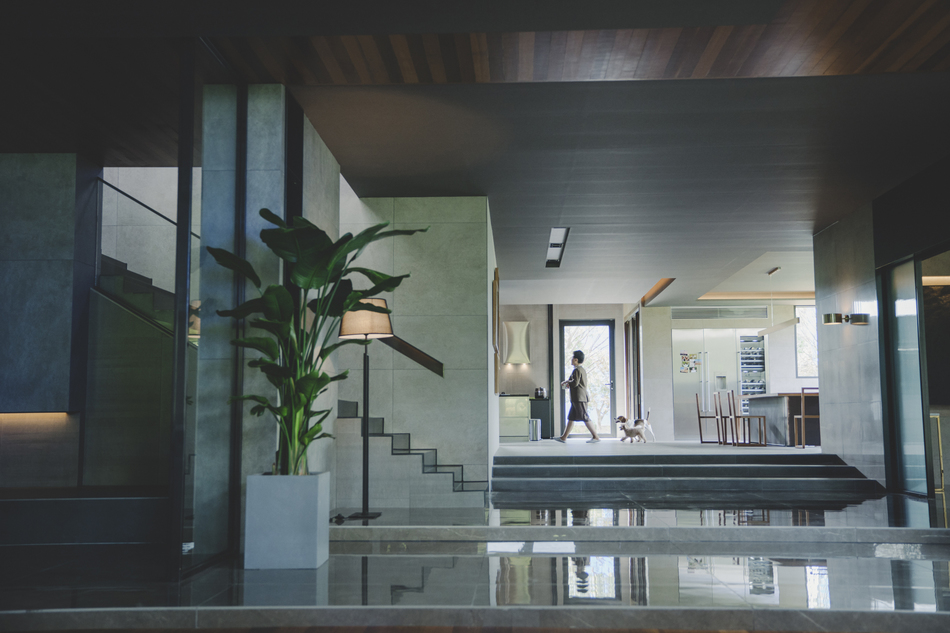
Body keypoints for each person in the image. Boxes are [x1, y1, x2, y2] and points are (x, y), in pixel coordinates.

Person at [555, 349, 601, 443]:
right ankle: (563, 437)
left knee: (584, 416)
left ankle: (596, 436)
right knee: (571, 417)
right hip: (577, 398)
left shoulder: (577, 370)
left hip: (580, 398)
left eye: (572, 358)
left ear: (576, 359)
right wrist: (567, 382)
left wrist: (567, 383)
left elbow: (575, 383)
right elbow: (575, 382)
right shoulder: (581, 370)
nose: (571, 360)